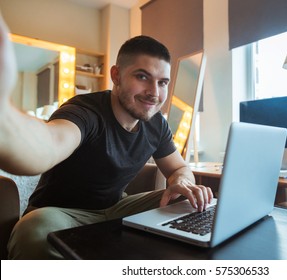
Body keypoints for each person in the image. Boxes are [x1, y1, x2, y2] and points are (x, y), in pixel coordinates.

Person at [0, 12, 213, 259]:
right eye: (142, 76)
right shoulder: (86, 111)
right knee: (33, 229)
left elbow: (178, 168)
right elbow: (49, 144)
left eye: (162, 82)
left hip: (116, 207)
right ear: (116, 75)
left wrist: (182, 182)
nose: (154, 93)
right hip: (61, 212)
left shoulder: (156, 124)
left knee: (190, 204)